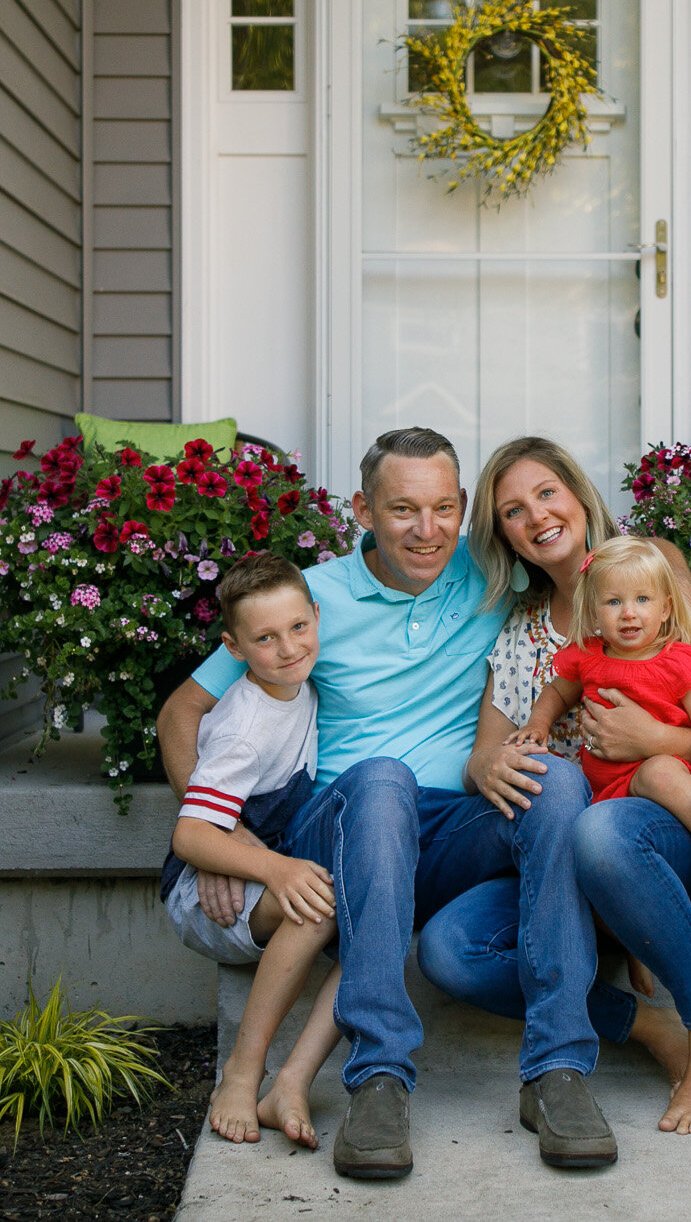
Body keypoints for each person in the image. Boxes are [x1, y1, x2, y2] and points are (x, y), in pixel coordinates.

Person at [155, 428, 613, 1180]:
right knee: (381, 778)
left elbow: (591, 568)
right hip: (346, 820)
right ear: (363, 507)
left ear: (465, 508)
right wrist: (226, 827)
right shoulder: (311, 599)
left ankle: (557, 1070)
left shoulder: (492, 574)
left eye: (442, 508)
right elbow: (181, 711)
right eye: (402, 509)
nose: (426, 531)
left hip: (453, 828)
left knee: (555, 783)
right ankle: (378, 1077)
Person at [427, 436, 691, 1137]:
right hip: (569, 878)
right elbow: (483, 754)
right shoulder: (523, 637)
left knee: (603, 829)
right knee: (450, 948)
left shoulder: (653, 589)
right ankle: (646, 1025)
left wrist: (656, 742)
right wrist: (486, 766)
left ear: (579, 495)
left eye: (547, 492)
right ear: (506, 538)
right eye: (514, 511)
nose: (537, 516)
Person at [160, 554, 342, 1149]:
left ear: (316, 616)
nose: (289, 648)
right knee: (318, 909)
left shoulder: (298, 684)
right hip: (205, 895)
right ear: (234, 648)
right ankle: (242, 1073)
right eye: (265, 638)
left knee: (377, 914)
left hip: (259, 868)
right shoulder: (244, 726)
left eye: (297, 627)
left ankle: (291, 1079)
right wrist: (273, 866)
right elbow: (191, 836)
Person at [508, 536, 691, 897]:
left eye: (642, 600)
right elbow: (556, 692)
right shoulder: (588, 656)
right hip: (605, 794)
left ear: (665, 609)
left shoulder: (677, 661)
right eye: (614, 602)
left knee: (659, 770)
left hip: (669, 787)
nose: (628, 612)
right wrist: (538, 723)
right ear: (594, 612)